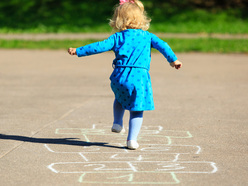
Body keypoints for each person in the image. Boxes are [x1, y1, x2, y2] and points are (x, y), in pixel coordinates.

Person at [68, 0, 182, 150]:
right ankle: (131, 140)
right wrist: (173, 60)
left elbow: (99, 46)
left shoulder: (118, 37)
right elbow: (163, 46)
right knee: (137, 109)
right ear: (141, 18)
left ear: (118, 19)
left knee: (120, 98)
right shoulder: (148, 36)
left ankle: (117, 122)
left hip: (119, 77)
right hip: (138, 77)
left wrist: (79, 51)